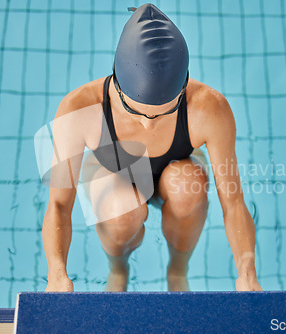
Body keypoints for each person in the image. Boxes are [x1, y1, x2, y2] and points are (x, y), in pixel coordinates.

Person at [42, 3, 262, 292]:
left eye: (162, 113)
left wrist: (247, 272)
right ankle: (118, 270)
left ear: (183, 90)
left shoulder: (209, 108)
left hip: (178, 167)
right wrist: (56, 274)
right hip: (112, 172)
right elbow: (59, 205)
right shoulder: (79, 108)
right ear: (117, 88)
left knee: (188, 188)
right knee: (122, 212)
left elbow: (233, 201)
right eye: (136, 112)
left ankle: (177, 271)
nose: (148, 125)